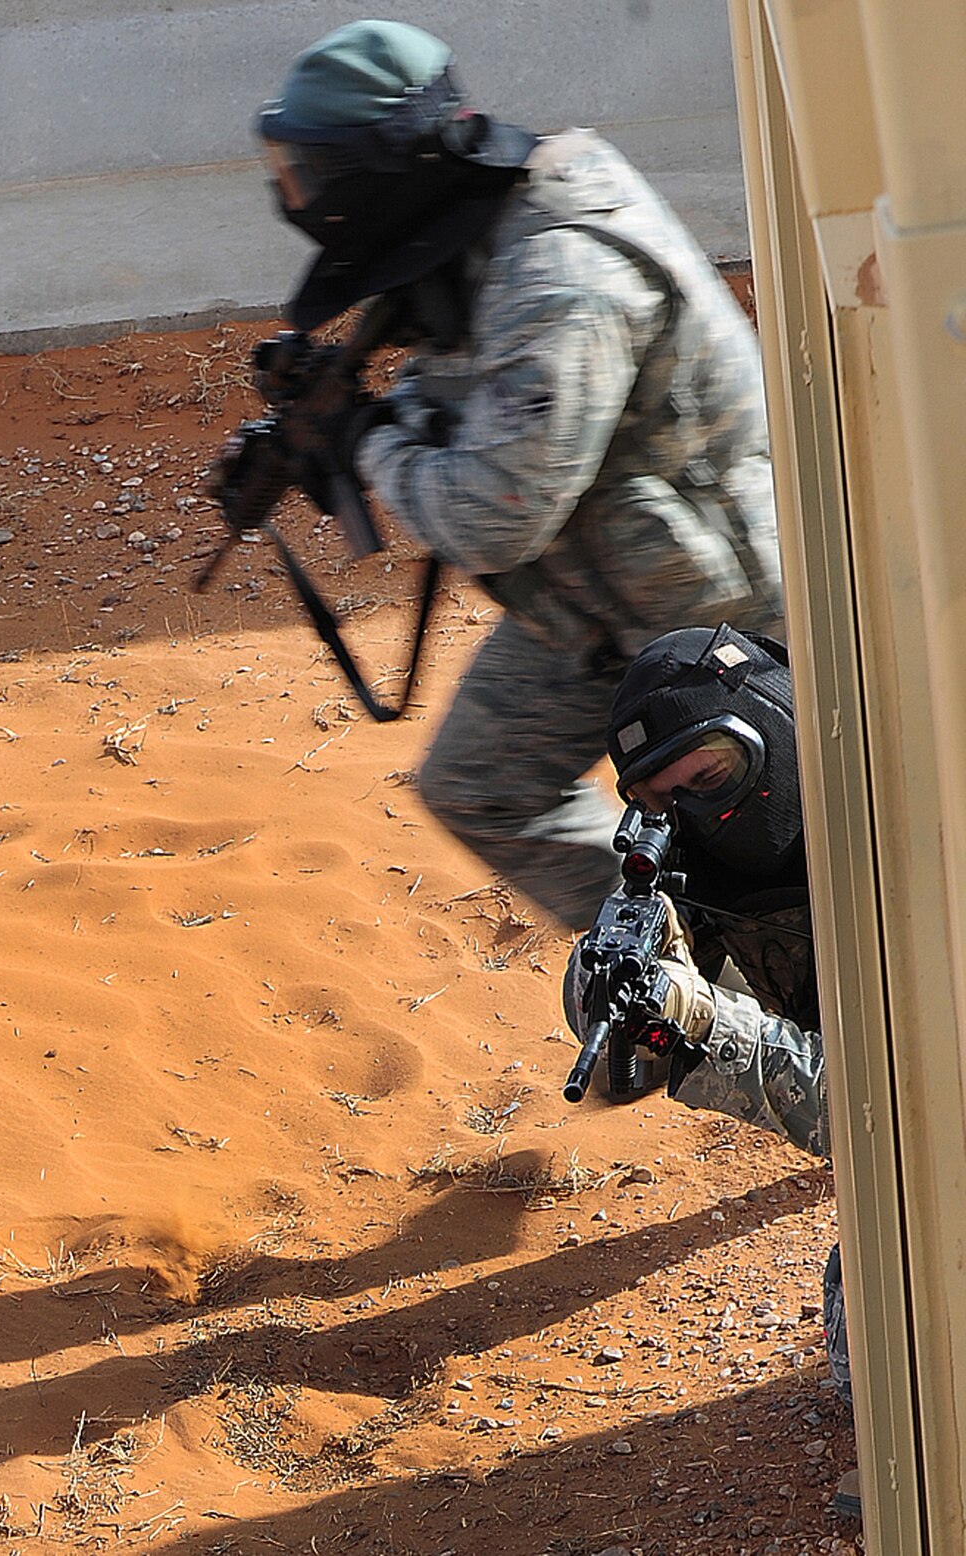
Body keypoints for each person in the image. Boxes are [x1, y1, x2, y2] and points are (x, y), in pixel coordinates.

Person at [246, 19, 785, 931]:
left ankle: (748, 992)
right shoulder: (474, 226)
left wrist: (366, 440)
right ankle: (676, 961)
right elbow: (475, 393)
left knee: (782, 857)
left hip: (736, 626)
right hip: (601, 600)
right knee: (479, 785)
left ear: (373, 175)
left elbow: (494, 516)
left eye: (308, 172)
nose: (290, 194)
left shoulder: (563, 274)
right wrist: (378, 414)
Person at [570, 622, 856, 1517]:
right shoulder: (697, 871)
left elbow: (906, 1119)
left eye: (714, 775)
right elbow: (624, 1074)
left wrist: (710, 1024)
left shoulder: (917, 804)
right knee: (871, 1364)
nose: (700, 813)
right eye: (665, 800)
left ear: (779, 722)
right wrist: (610, 994)